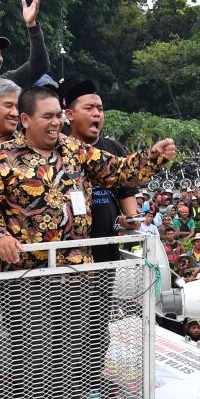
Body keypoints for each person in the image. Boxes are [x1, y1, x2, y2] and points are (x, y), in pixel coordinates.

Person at [0, 86, 175, 269]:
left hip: (77, 271)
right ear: (25, 120)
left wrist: (151, 157)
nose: (56, 122)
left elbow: (118, 170)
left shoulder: (76, 149)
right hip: (25, 273)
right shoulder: (2, 157)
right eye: (47, 116)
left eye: (59, 115)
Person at [61, 78, 141, 263]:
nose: (96, 114)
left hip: (107, 251)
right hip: (70, 255)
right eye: (89, 108)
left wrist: (130, 220)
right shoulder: (60, 150)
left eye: (100, 109)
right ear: (70, 115)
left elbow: (130, 205)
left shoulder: (114, 149)